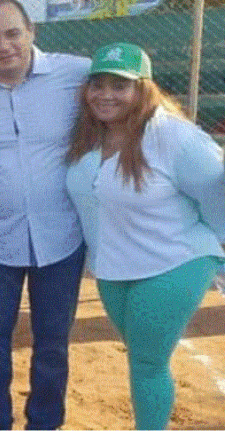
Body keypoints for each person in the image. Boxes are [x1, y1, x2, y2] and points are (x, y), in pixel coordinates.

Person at [65, 42, 225, 430]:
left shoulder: (174, 136)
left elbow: (215, 193)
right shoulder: (88, 135)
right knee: (141, 356)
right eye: (97, 84)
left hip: (175, 261)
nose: (106, 95)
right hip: (113, 268)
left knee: (148, 362)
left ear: (143, 89)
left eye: (120, 85)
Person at [0, 0, 90, 430]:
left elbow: (132, 101)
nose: (3, 46)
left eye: (12, 33)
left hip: (61, 238)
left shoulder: (78, 74)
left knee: (52, 344)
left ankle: (44, 423)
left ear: (32, 31)